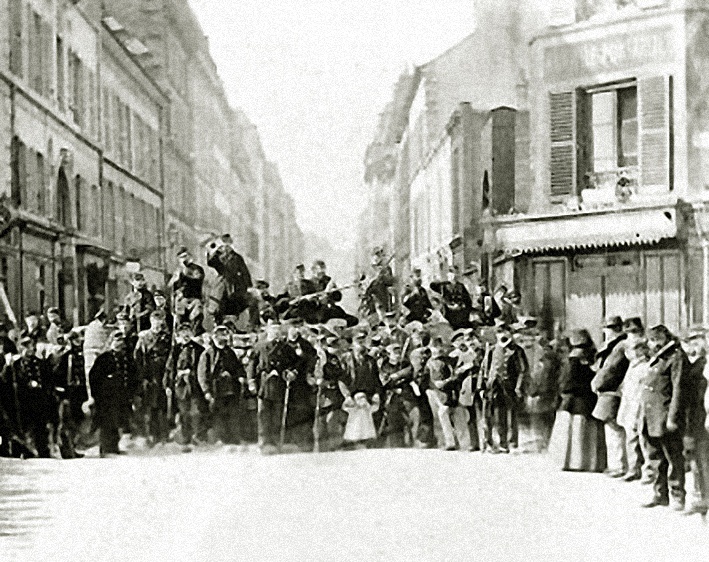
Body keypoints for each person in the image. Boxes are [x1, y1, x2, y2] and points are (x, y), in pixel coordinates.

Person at [639, 325, 689, 510]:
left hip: (665, 415)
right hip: (650, 415)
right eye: (650, 340)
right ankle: (660, 493)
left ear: (664, 339)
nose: (650, 344)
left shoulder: (675, 357)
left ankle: (677, 495)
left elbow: (678, 389)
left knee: (673, 457)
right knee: (654, 457)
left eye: (654, 340)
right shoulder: (657, 357)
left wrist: (673, 418)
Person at [549, 329, 606, 472]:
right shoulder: (591, 357)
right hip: (586, 400)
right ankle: (587, 463)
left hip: (573, 400)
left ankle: (572, 463)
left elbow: (566, 382)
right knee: (583, 433)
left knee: (574, 432)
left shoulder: (572, 360)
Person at [248, 320, 299, 452]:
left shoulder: (286, 348)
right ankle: (264, 442)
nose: (276, 332)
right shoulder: (259, 346)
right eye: (273, 329)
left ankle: (277, 442)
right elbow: (252, 365)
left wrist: (292, 372)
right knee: (263, 414)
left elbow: (295, 363)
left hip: (280, 384)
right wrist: (251, 381)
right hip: (264, 384)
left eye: (278, 329)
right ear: (268, 330)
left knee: (278, 414)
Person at [478, 323, 528, 453]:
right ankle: (500, 442)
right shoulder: (492, 349)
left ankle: (512, 443)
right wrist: (481, 386)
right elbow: (484, 368)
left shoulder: (517, 350)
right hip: (494, 386)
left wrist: (518, 387)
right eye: (500, 332)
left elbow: (523, 371)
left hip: (510, 386)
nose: (502, 335)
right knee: (496, 415)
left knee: (512, 415)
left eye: (505, 332)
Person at [88, 331, 139, 457]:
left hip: (122, 395)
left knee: (118, 421)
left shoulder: (126, 358)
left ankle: (114, 446)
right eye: (116, 342)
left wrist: (132, 392)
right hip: (106, 397)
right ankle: (105, 447)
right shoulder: (103, 358)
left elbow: (133, 375)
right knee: (107, 422)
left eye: (121, 342)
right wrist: (97, 394)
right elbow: (94, 377)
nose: (118, 345)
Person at [591, 316, 630, 478]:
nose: (607, 332)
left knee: (615, 429)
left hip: (613, 391)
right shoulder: (613, 345)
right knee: (613, 429)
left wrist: (596, 383)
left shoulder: (619, 346)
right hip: (610, 390)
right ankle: (617, 464)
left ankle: (620, 466)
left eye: (608, 329)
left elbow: (610, 370)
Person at [9, 334, 54, 458]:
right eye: (26, 347)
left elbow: (47, 379)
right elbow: (7, 381)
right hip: (23, 400)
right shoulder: (15, 365)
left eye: (31, 347)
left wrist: (45, 391)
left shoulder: (40, 363)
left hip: (39, 399)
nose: (29, 349)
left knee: (40, 426)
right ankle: (24, 450)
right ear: (20, 349)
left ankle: (43, 450)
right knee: (24, 426)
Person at [198, 325, 244, 445]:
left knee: (232, 414)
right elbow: (202, 374)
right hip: (216, 390)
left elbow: (238, 368)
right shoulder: (207, 354)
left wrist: (240, 376)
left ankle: (233, 439)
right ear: (214, 337)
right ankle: (220, 439)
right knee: (217, 415)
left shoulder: (230, 353)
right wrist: (206, 391)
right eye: (220, 335)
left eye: (225, 335)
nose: (223, 338)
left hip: (231, 389)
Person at [164, 323, 206, 448]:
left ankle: (198, 437)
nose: (185, 335)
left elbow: (203, 367)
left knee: (196, 411)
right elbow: (169, 368)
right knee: (183, 413)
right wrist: (167, 385)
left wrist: (191, 373)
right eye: (182, 333)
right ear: (178, 335)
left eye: (188, 332)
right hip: (180, 386)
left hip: (195, 385)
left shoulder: (199, 349)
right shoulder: (175, 349)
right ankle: (184, 439)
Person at [425, 337, 471, 451]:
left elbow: (457, 371)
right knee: (443, 416)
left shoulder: (449, 360)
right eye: (434, 347)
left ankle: (462, 442)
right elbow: (431, 380)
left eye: (439, 346)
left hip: (452, 391)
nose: (437, 349)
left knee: (456, 415)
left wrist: (449, 381)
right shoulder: (430, 363)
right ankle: (450, 442)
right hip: (438, 393)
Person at [134, 309, 172, 446]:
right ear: (151, 322)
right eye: (155, 323)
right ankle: (151, 436)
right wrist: (143, 377)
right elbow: (138, 359)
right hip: (150, 376)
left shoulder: (166, 338)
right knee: (150, 407)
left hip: (163, 375)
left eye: (160, 323)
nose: (157, 326)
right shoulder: (144, 338)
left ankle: (164, 436)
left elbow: (171, 357)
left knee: (164, 406)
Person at [617, 340, 652, 483]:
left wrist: (638, 409)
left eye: (630, 350)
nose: (627, 353)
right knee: (630, 438)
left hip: (638, 406)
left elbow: (641, 391)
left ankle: (647, 471)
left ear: (640, 350)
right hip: (628, 405)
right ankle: (633, 468)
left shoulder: (644, 367)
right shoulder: (633, 366)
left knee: (642, 440)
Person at [206, 234, 257, 328]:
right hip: (224, 284)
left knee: (248, 302)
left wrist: (248, 286)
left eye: (227, 246)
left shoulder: (237, 258)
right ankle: (218, 321)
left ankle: (251, 324)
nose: (225, 248)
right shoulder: (219, 257)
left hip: (236, 285)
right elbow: (211, 262)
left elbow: (245, 272)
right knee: (219, 300)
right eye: (223, 246)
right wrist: (211, 251)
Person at [52, 330, 87, 459]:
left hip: (80, 394)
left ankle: (73, 447)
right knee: (66, 423)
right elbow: (58, 375)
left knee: (77, 421)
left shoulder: (81, 355)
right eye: (76, 339)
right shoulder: (67, 356)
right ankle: (66, 450)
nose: (79, 341)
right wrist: (62, 392)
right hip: (69, 394)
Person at [169, 246, 205, 335]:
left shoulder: (197, 269)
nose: (184, 259)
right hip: (181, 299)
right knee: (180, 320)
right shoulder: (178, 271)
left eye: (185, 256)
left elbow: (197, 278)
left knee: (195, 318)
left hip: (194, 298)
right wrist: (176, 278)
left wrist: (185, 272)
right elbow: (171, 285)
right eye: (181, 257)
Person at [359, 247, 396, 321]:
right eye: (376, 254)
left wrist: (383, 276)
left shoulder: (386, 268)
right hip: (371, 292)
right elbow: (364, 282)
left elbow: (390, 281)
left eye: (379, 254)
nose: (378, 257)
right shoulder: (369, 269)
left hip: (382, 290)